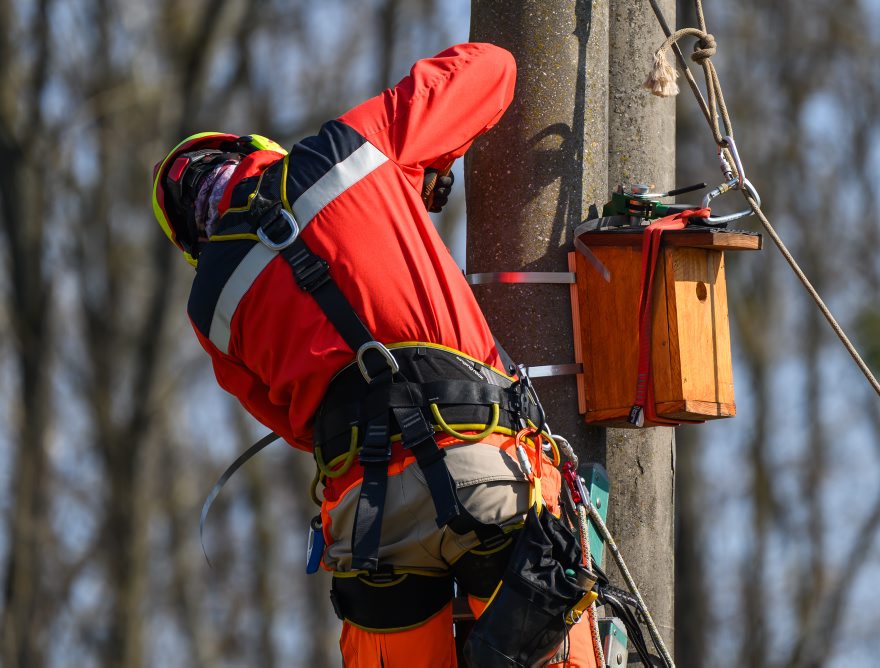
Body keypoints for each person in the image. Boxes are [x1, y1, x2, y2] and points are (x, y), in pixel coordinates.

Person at [151, 43, 599, 667]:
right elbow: (493, 68)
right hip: (484, 470)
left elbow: (300, 427)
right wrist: (409, 174)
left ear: (195, 240)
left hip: (370, 527)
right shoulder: (353, 151)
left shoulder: (211, 308)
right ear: (253, 149)